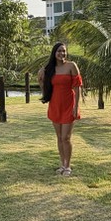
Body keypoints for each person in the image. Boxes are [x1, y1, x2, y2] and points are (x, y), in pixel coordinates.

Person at [38, 41, 83, 176]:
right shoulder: (50, 70)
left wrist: (76, 106)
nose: (62, 53)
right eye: (59, 51)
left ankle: (68, 166)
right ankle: (62, 164)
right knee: (59, 137)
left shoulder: (71, 66)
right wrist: (40, 79)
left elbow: (77, 87)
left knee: (66, 137)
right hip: (55, 105)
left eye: (64, 51)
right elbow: (45, 89)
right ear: (54, 53)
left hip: (69, 105)